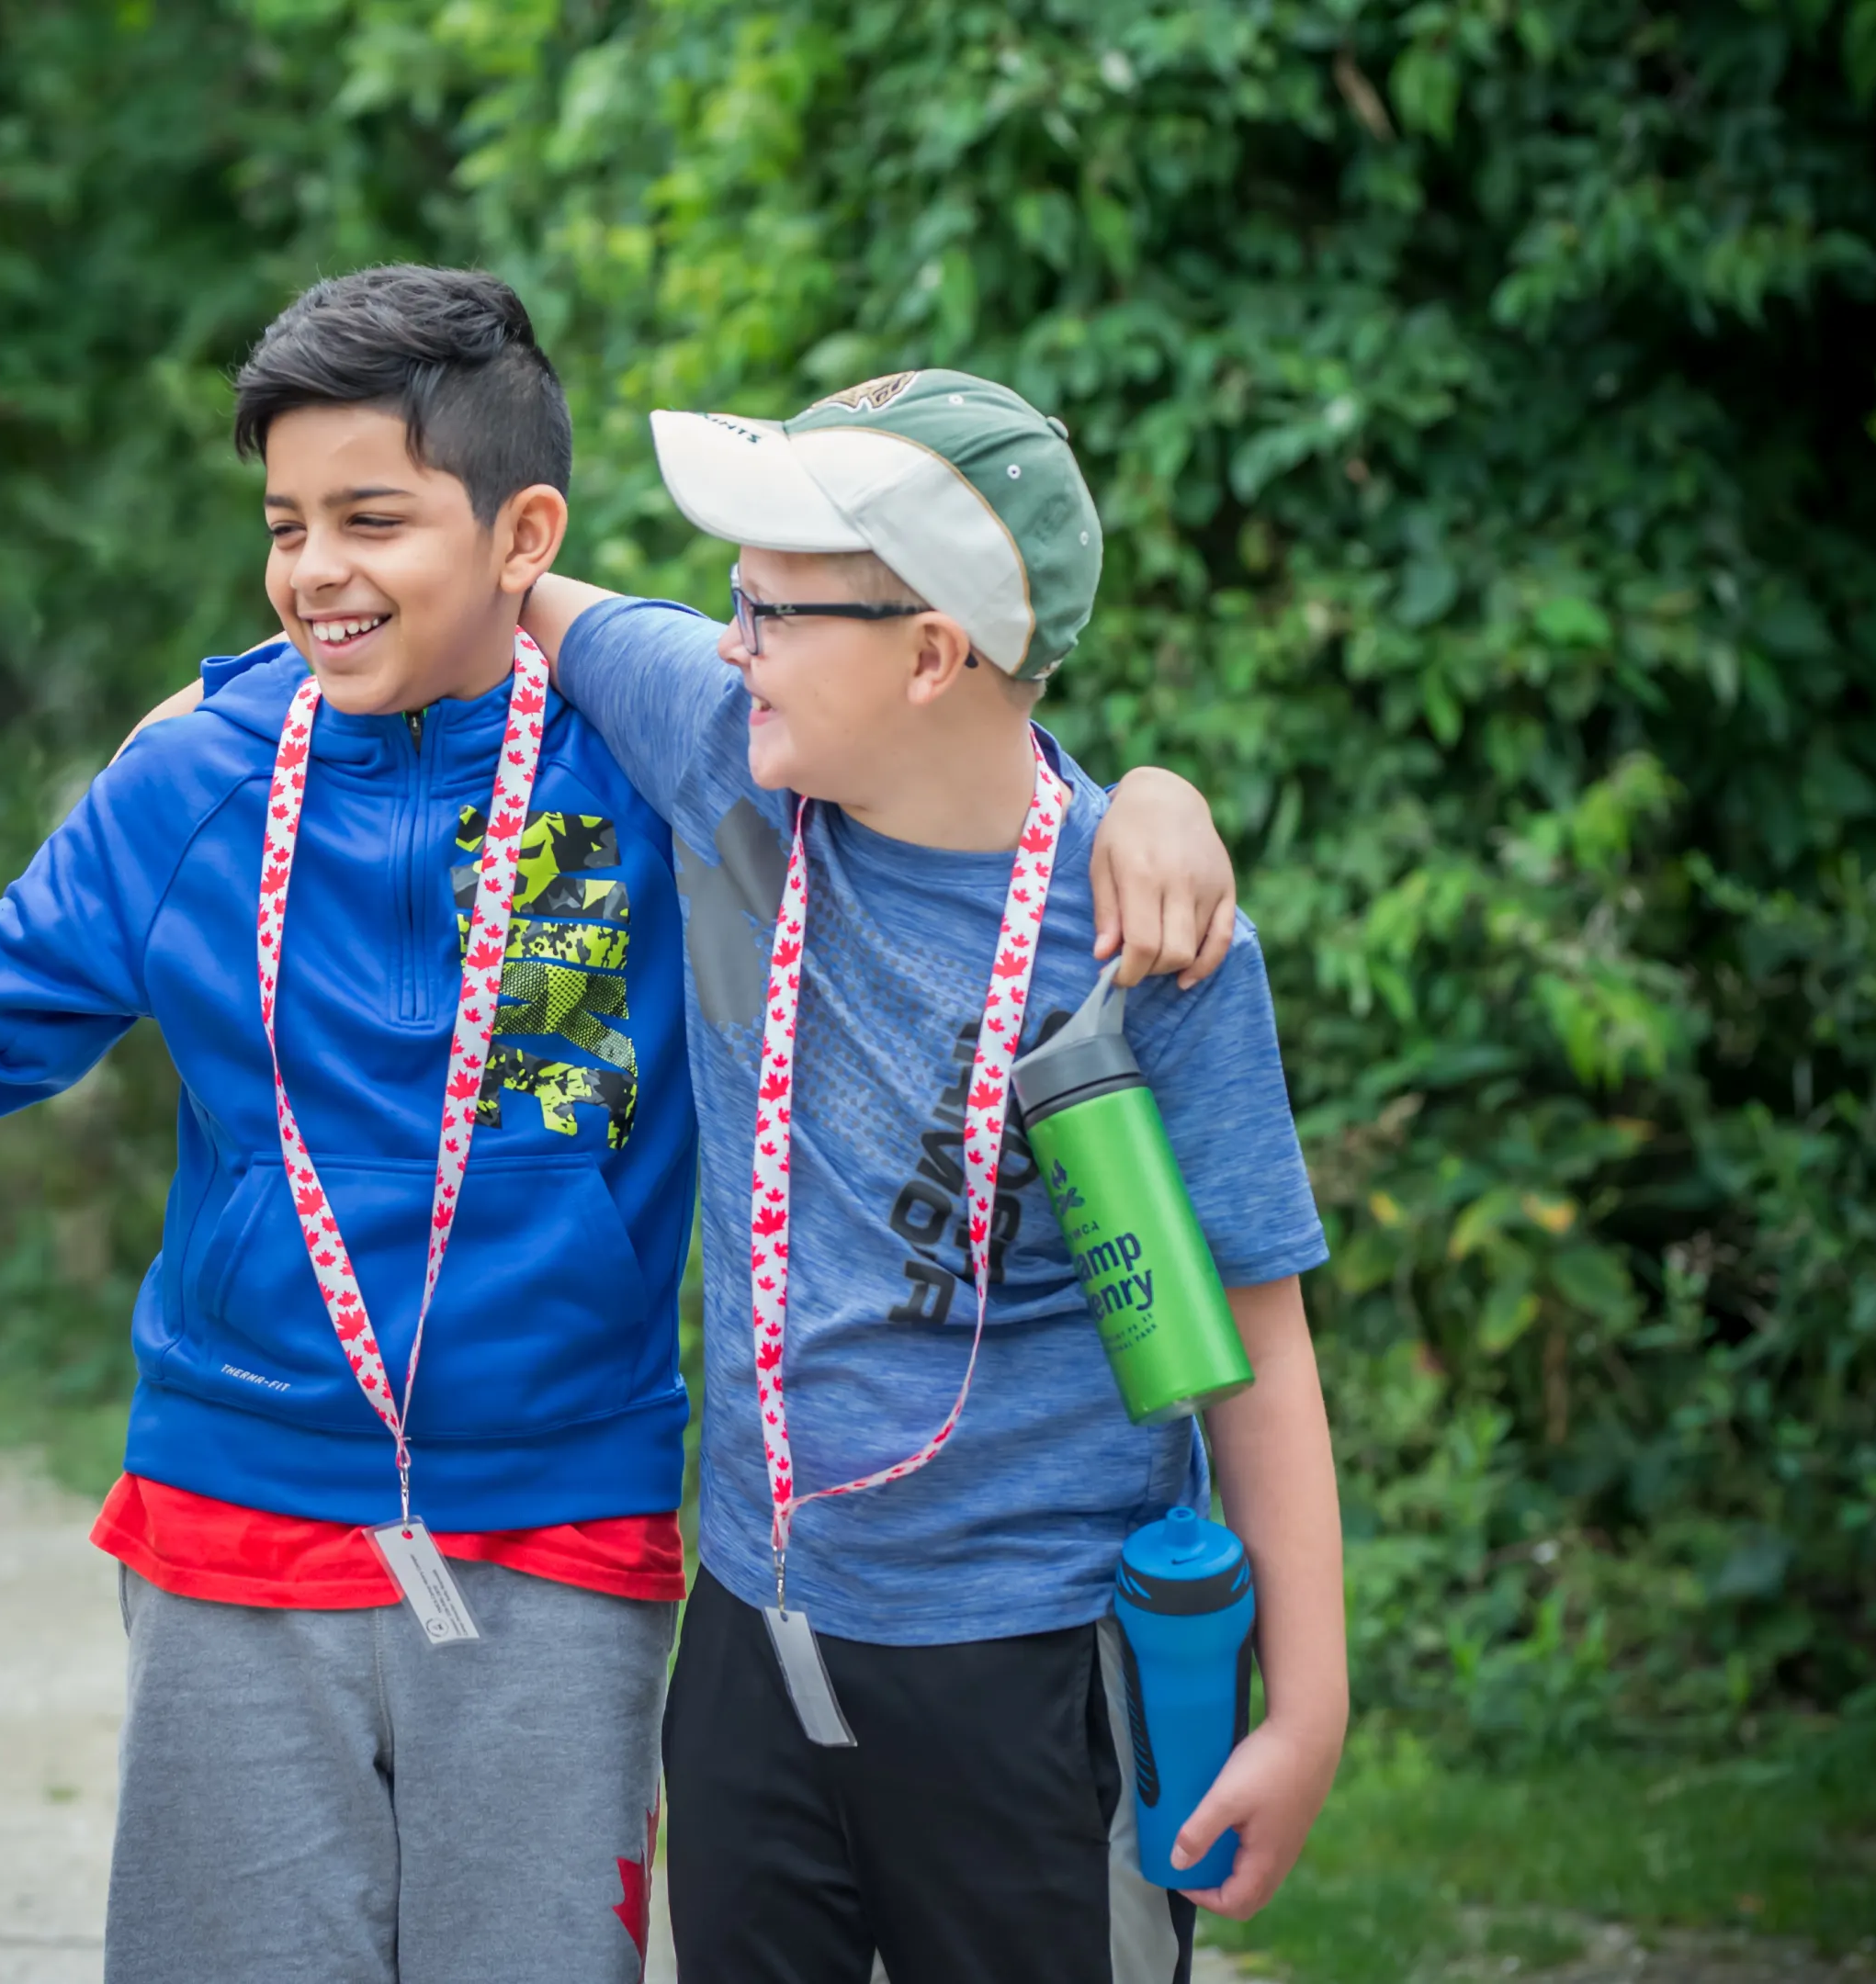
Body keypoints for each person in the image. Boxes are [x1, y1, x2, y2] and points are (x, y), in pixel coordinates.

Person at [0, 272, 1239, 1984]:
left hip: (562, 1525)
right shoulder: (195, 774)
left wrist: (1136, 798)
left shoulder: (676, 759)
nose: (317, 570)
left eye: (371, 521)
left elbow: (932, 753)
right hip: (235, 1517)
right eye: (287, 525)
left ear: (523, 538)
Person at [517, 370, 1347, 1984]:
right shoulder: (733, 757)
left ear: (931, 652)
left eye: (769, 607)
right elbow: (506, 580)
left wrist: (1306, 1708)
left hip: (1034, 1673)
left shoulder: (1150, 951)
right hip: (753, 1640)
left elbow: (1260, 1345)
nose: (728, 639)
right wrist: (216, 704)